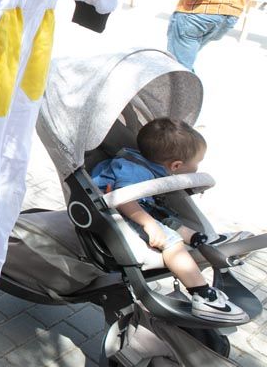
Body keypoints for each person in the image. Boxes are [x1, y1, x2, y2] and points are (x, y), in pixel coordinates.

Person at [91, 118, 249, 323]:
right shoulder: (134, 170)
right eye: (197, 163)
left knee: (170, 218)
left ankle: (202, 240)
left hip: (140, 205)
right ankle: (202, 296)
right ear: (176, 165)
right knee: (171, 242)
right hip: (115, 212)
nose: (198, 166)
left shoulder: (146, 161)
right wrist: (149, 225)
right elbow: (123, 199)